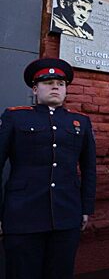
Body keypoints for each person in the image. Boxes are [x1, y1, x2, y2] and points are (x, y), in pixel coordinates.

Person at [0, 58, 97, 279]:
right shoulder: (15, 116)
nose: (55, 87)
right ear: (35, 89)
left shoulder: (80, 122)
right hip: (22, 216)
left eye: (61, 84)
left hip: (66, 215)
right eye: (48, 82)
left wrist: (85, 208)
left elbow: (89, 168)